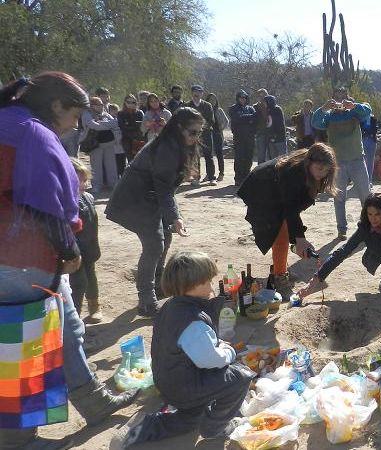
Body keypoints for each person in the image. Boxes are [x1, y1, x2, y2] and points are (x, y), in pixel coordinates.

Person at [0, 72, 139, 450]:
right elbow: (46, 202)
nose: (77, 125)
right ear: (56, 105)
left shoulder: (9, 122)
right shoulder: (34, 133)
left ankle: (93, 401)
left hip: (17, 254)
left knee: (68, 327)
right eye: (75, 115)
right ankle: (18, 439)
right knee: (25, 345)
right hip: (22, 257)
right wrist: (69, 250)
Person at [117, 252, 255, 448]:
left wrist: (216, 344)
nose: (212, 287)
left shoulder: (171, 306)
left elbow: (190, 345)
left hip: (169, 382)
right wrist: (229, 352)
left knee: (191, 419)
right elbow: (210, 360)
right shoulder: (193, 320)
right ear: (193, 284)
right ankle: (215, 428)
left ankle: (143, 427)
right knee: (241, 376)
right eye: (208, 282)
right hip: (184, 386)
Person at [105, 107, 199, 317]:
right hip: (133, 200)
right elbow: (164, 188)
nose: (196, 137)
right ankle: (147, 302)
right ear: (179, 128)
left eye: (199, 132)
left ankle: (158, 284)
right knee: (154, 245)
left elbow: (166, 189)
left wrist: (173, 216)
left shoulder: (178, 145)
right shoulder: (166, 148)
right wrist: (175, 217)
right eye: (193, 132)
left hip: (150, 199)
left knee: (165, 235)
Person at [237, 144, 338, 300]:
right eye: (319, 169)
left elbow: (294, 206)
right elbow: (290, 207)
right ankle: (279, 277)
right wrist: (299, 238)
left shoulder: (312, 172)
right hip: (261, 188)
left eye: (326, 170)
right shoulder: (293, 172)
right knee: (279, 234)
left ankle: (281, 266)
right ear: (309, 163)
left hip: (277, 192)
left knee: (286, 229)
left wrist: (298, 237)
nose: (322, 173)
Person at [301, 193, 381, 297]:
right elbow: (342, 252)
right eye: (370, 214)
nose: (373, 219)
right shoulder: (365, 228)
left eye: (377, 214)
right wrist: (314, 281)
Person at [312, 87, 372, 239]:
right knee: (339, 197)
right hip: (337, 162)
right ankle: (342, 228)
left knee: (365, 196)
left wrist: (354, 106)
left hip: (357, 159)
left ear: (347, 97)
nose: (339, 100)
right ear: (332, 99)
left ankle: (368, 227)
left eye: (342, 96)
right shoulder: (328, 116)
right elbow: (316, 122)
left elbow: (367, 111)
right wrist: (323, 108)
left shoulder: (355, 112)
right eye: (336, 97)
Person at [68, 158, 103, 323]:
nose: (83, 185)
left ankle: (94, 305)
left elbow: (93, 224)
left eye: (85, 180)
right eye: (78, 181)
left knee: (90, 276)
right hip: (72, 251)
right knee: (77, 282)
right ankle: (74, 314)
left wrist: (93, 248)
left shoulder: (88, 198)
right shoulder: (63, 202)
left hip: (88, 247)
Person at [81, 96, 119, 194]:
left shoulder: (105, 114)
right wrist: (107, 125)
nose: (102, 106)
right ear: (92, 106)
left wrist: (102, 123)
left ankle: (113, 184)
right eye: (99, 105)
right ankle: (97, 186)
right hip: (94, 144)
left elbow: (115, 123)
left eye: (102, 104)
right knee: (96, 166)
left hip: (109, 143)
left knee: (111, 165)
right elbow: (94, 126)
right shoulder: (86, 114)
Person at [184, 85, 216, 185]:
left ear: (202, 93)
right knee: (194, 156)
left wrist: (201, 128)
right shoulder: (187, 105)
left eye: (199, 91)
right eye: (195, 91)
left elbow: (211, 120)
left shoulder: (207, 105)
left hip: (206, 134)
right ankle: (196, 178)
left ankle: (211, 177)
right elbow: (184, 120)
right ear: (192, 93)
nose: (196, 93)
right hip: (192, 135)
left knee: (208, 155)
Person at [229, 90, 257, 186]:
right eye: (241, 97)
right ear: (238, 98)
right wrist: (250, 118)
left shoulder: (251, 108)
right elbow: (237, 118)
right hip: (239, 137)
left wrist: (246, 119)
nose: (243, 99)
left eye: (244, 97)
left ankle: (246, 177)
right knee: (239, 158)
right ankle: (238, 178)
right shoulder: (233, 108)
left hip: (250, 137)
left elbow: (256, 119)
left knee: (249, 157)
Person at [118, 94, 145, 172]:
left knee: (140, 161)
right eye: (128, 102)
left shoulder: (139, 112)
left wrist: (131, 126)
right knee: (131, 161)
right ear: (125, 103)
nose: (131, 104)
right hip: (127, 140)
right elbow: (123, 127)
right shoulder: (121, 113)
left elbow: (142, 126)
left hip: (139, 140)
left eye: (133, 102)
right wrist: (134, 126)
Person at [206, 93, 229, 182]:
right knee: (209, 155)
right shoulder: (206, 109)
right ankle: (209, 174)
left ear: (216, 101)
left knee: (219, 153)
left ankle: (221, 173)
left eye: (214, 100)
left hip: (217, 134)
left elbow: (226, 121)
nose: (212, 101)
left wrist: (221, 128)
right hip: (208, 134)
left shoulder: (219, 110)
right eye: (210, 100)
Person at [264, 95, 287, 160]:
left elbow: (279, 124)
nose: (264, 104)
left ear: (269, 102)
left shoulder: (276, 110)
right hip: (272, 138)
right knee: (273, 159)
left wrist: (275, 135)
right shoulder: (269, 110)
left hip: (279, 138)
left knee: (282, 158)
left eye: (265, 102)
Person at [107, 103, 127, 177]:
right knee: (114, 164)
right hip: (113, 147)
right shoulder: (108, 121)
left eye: (116, 110)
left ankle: (122, 177)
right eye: (112, 111)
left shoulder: (121, 120)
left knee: (122, 163)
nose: (114, 112)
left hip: (121, 146)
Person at [253, 88, 270, 164]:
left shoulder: (271, 106)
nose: (262, 98)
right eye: (260, 96)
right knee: (261, 155)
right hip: (260, 133)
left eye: (264, 96)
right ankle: (260, 170)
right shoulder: (254, 107)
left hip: (271, 133)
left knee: (271, 156)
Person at [362, 109, 379, 182]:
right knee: (363, 161)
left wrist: (366, 132)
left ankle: (369, 180)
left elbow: (374, 130)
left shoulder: (373, 119)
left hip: (371, 141)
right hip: (363, 140)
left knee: (370, 161)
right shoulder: (361, 119)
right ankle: (363, 179)